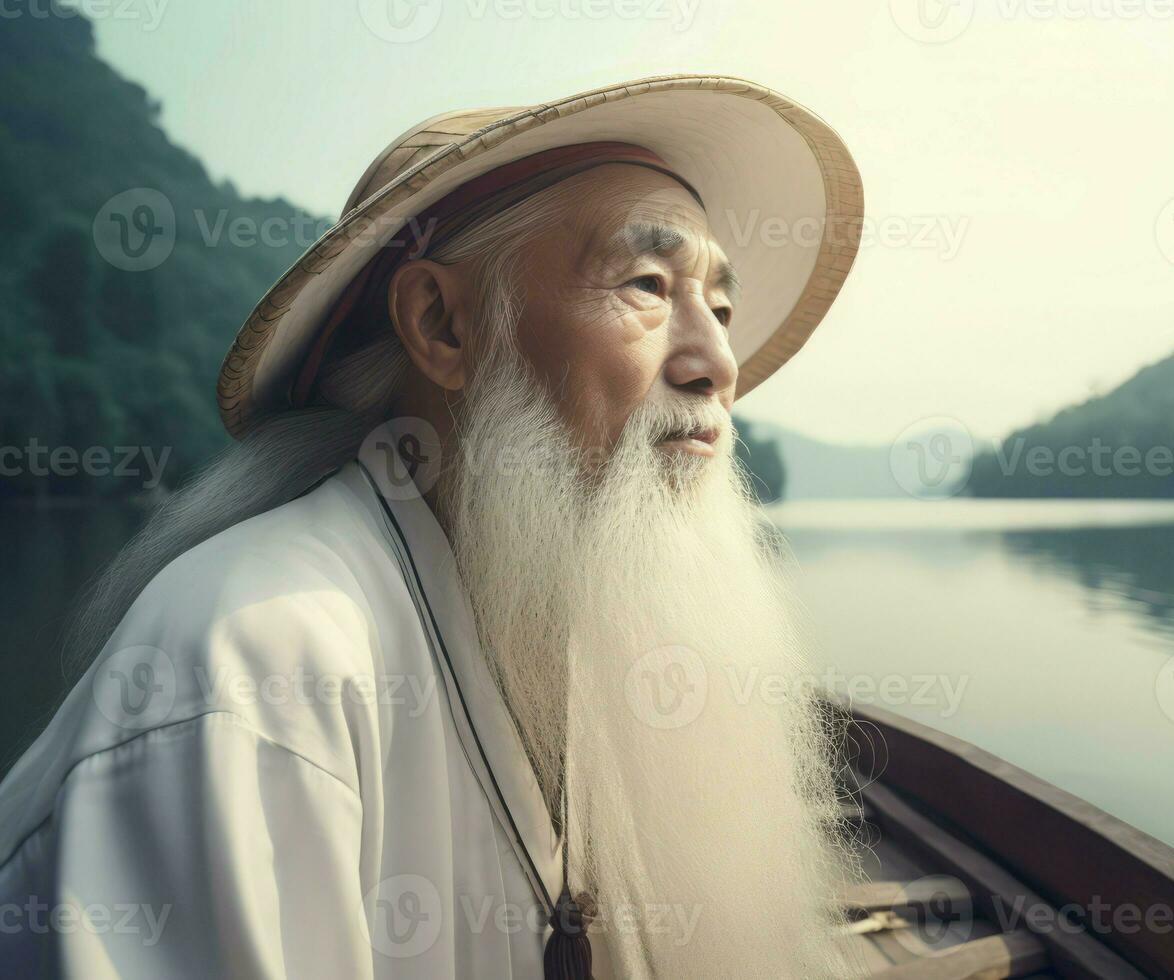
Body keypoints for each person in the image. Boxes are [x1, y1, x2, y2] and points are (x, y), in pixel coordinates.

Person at [0, 74, 867, 978]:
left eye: (720, 308)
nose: (717, 361)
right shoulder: (256, 666)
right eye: (648, 283)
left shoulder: (598, 627)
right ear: (441, 325)